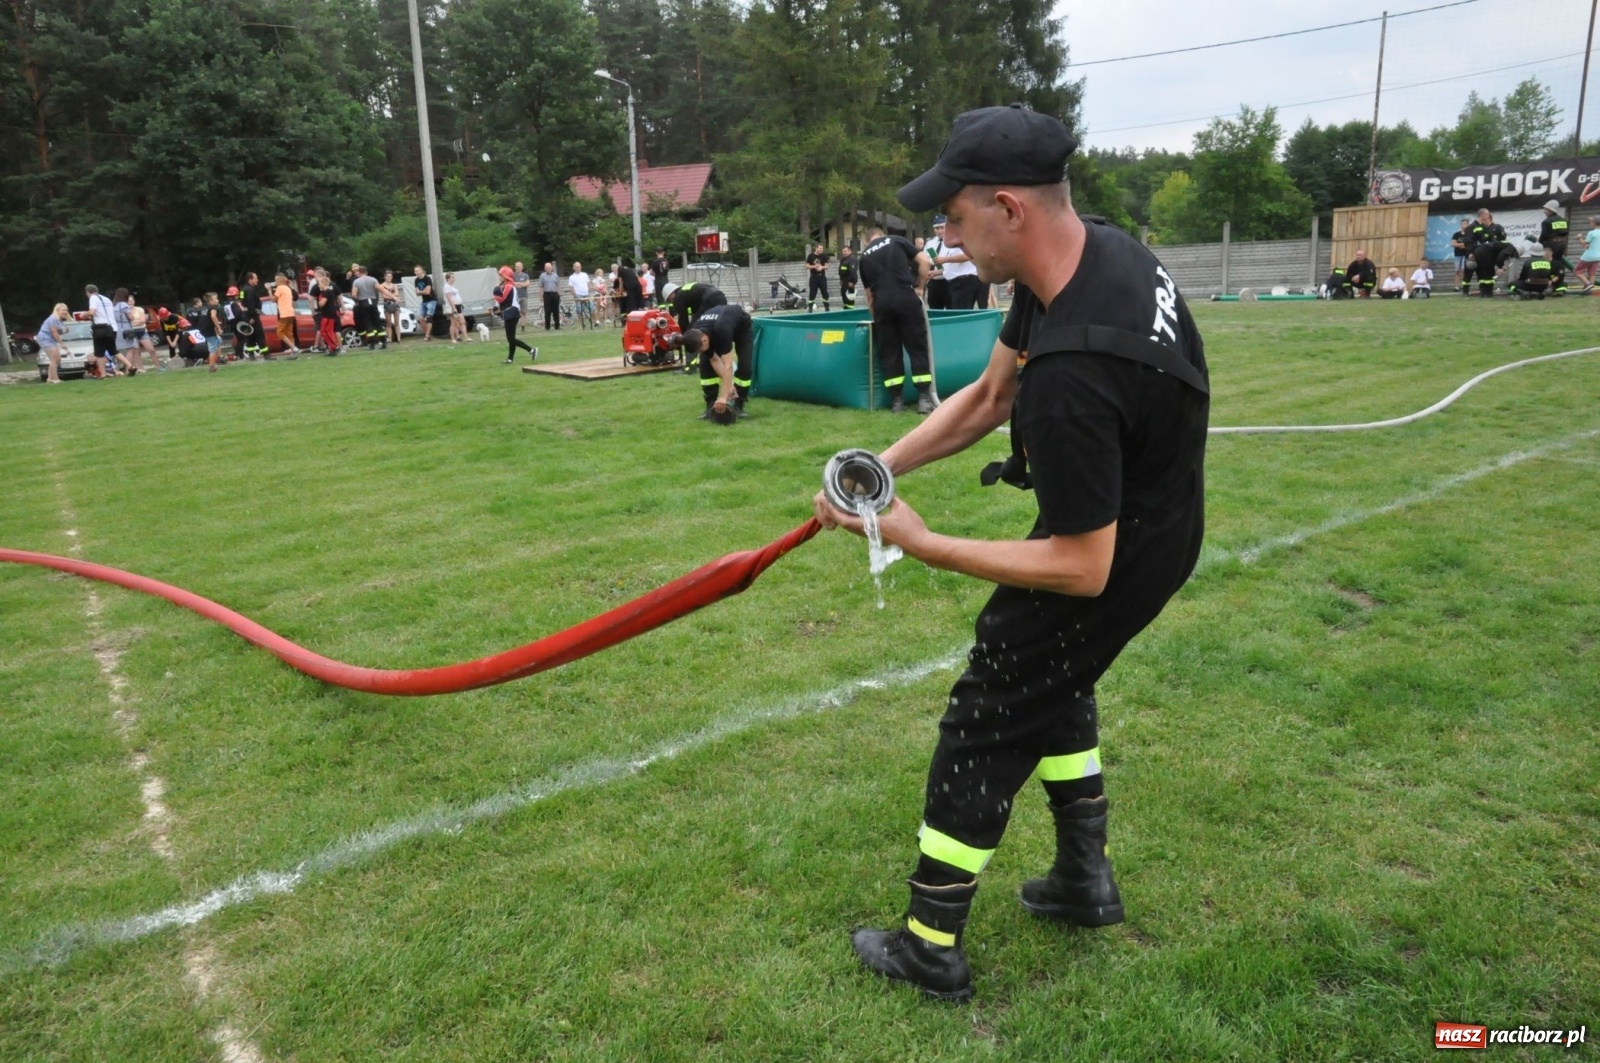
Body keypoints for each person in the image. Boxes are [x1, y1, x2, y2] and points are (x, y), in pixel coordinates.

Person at [819, 103, 1209, 1004]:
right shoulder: (1083, 256)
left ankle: (930, 945)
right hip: (1148, 518)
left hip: (1121, 545)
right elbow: (993, 394)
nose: (945, 241)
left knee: (991, 707)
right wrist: (877, 468)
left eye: (953, 220)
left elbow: (1083, 568)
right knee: (1051, 674)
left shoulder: (1078, 369)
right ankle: (1083, 880)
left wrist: (921, 541)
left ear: (1008, 208)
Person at [857, 223, 933, 413]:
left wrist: (878, 318)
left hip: (882, 303)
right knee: (917, 346)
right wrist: (920, 287)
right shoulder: (896, 240)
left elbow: (869, 297)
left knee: (889, 351)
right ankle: (924, 398)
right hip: (905, 297)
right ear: (882, 235)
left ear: (868, 241)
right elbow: (925, 261)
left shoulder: (864, 256)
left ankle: (896, 402)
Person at [675, 301, 752, 422]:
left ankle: (738, 404)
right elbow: (715, 359)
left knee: (745, 365)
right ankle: (710, 405)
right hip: (714, 328)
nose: (701, 351)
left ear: (704, 340)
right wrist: (729, 386)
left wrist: (723, 396)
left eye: (700, 349)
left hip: (741, 328)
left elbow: (728, 366)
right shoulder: (696, 333)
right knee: (705, 364)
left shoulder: (722, 330)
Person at [494, 265, 537, 363]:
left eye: (500, 275)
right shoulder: (507, 286)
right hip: (511, 312)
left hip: (512, 313)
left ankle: (531, 350)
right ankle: (510, 359)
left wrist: (496, 292)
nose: (499, 277)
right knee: (511, 338)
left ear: (505, 276)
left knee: (511, 339)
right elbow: (504, 302)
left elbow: (501, 298)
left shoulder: (508, 286)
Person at [1470, 209, 1513, 298]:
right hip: (1481, 254)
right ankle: (1483, 292)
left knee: (1489, 272)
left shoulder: (1498, 227)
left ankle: (1489, 292)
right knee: (1480, 272)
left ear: (1488, 217)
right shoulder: (1481, 229)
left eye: (1484, 219)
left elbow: (1502, 242)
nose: (1482, 221)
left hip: (1492, 254)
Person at [85, 283, 117, 378]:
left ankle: (103, 374)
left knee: (99, 353)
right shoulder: (106, 299)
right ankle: (129, 365)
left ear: (87, 292)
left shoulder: (93, 298)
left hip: (101, 329)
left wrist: (84, 315)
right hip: (112, 327)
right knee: (113, 351)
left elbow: (92, 312)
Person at [1539, 200, 1571, 294]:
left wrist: (1540, 243)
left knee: (1547, 264)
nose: (1544, 211)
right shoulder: (1564, 220)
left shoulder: (1546, 221)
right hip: (1562, 245)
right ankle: (1559, 285)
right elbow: (1566, 232)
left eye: (1545, 209)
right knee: (1559, 264)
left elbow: (1544, 235)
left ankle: (1548, 285)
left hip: (1551, 245)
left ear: (1550, 210)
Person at [351, 265, 384, 349]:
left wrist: (357, 300)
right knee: (377, 321)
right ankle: (383, 341)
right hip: (373, 302)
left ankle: (372, 343)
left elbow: (354, 295)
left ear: (359, 271)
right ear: (366, 271)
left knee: (368, 323)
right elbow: (380, 290)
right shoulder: (373, 279)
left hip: (363, 303)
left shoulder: (356, 282)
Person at [36, 303, 71, 383]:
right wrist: (62, 344)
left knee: (57, 359)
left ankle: (50, 379)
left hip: (51, 339)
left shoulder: (59, 320)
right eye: (63, 310)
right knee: (54, 359)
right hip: (45, 339)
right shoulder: (53, 319)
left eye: (66, 310)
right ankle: (55, 379)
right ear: (57, 310)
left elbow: (58, 331)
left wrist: (65, 330)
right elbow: (54, 332)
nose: (65, 312)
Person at [239, 271, 269, 359]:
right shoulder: (250, 290)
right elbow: (251, 304)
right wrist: (252, 316)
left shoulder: (243, 290)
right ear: (250, 279)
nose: (257, 280)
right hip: (252, 315)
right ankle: (266, 354)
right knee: (259, 334)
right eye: (255, 278)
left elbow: (242, 301)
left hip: (246, 315)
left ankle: (251, 355)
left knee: (250, 335)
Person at [923, 217, 951, 310]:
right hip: (934, 281)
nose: (940, 231)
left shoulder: (952, 242)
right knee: (935, 309)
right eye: (937, 228)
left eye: (942, 228)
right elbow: (925, 259)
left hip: (948, 281)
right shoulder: (930, 243)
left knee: (951, 309)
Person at [271, 272, 301, 355]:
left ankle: (294, 348)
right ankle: (293, 351)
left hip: (284, 313)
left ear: (280, 280)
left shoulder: (279, 288)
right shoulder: (288, 288)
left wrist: (269, 291)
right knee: (289, 332)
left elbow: (273, 300)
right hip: (291, 313)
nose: (275, 282)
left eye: (276, 280)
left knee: (279, 332)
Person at [314, 272, 343, 355]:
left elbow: (322, 303)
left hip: (329, 314)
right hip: (328, 314)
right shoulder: (326, 292)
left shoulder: (327, 292)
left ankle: (334, 346)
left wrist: (319, 302)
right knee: (326, 331)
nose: (318, 285)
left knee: (325, 331)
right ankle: (333, 347)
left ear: (323, 283)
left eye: (319, 283)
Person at [1576, 216, 1600, 291]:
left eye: (1590, 222)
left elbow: (1584, 244)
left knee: (1577, 271)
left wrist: (1580, 237)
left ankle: (1588, 284)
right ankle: (1590, 288)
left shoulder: (1591, 233)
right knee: (1592, 273)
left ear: (1594, 223)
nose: (1590, 223)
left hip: (1588, 256)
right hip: (1597, 256)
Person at [413, 265, 437, 341]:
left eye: (417, 271)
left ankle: (426, 336)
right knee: (420, 318)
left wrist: (420, 292)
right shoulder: (416, 280)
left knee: (429, 317)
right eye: (415, 271)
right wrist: (421, 292)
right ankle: (428, 334)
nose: (416, 272)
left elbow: (428, 291)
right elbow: (416, 293)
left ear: (422, 271)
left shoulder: (427, 279)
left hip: (431, 300)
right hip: (424, 301)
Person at [379, 270, 403, 344]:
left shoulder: (394, 285)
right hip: (387, 304)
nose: (389, 277)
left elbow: (397, 294)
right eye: (387, 276)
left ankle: (399, 338)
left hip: (395, 304)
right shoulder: (382, 286)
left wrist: (390, 295)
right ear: (385, 277)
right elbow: (383, 296)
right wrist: (392, 296)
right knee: (388, 323)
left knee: (396, 322)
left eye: (390, 276)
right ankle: (389, 339)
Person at [1451, 217, 1475, 291]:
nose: (1463, 225)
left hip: (1466, 254)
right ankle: (1456, 286)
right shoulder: (1456, 234)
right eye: (1462, 224)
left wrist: (1460, 244)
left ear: (1468, 225)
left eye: (1465, 224)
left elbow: (1470, 245)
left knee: (1464, 270)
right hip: (1458, 255)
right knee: (1457, 270)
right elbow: (1453, 244)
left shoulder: (1470, 234)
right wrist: (1463, 244)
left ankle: (1463, 285)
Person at [806, 243, 831, 311]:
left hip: (822, 277)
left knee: (825, 292)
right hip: (813, 277)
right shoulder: (810, 256)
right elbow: (807, 266)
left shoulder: (824, 256)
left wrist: (821, 267)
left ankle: (827, 307)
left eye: (822, 249)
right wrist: (814, 266)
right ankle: (810, 308)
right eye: (820, 248)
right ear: (816, 248)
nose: (821, 250)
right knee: (812, 293)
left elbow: (827, 266)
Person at [568, 261, 594, 328]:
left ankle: (591, 321)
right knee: (579, 310)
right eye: (576, 267)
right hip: (578, 295)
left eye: (579, 267)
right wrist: (575, 294)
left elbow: (588, 284)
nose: (578, 268)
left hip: (586, 294)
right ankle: (582, 323)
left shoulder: (585, 274)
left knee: (592, 308)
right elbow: (571, 287)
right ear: (574, 268)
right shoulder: (571, 277)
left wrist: (589, 292)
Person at [444, 272, 466, 343]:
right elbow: (449, 298)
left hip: (458, 305)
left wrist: (461, 303)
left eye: (454, 277)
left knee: (462, 321)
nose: (454, 279)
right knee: (453, 323)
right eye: (452, 277)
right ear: (448, 279)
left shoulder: (452, 287)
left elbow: (456, 296)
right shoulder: (446, 287)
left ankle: (466, 337)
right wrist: (453, 307)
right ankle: (453, 338)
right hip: (454, 306)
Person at [839, 245, 859, 309]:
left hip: (849, 281)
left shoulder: (852, 259)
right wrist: (841, 279)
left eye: (845, 251)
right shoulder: (843, 259)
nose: (844, 252)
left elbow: (853, 271)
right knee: (843, 294)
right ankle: (846, 307)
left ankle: (850, 309)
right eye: (843, 251)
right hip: (844, 280)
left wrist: (852, 281)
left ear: (850, 251)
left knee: (849, 297)